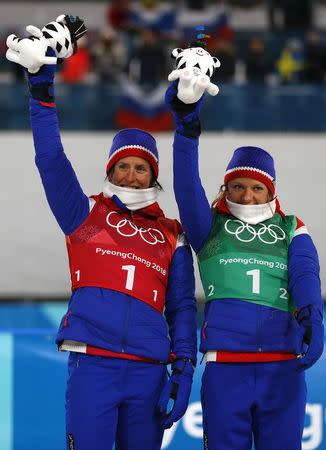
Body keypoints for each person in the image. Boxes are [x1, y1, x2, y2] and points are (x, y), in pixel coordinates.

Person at [8, 27, 197, 450]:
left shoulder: (172, 234)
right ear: (110, 172)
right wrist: (41, 91)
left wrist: (184, 369)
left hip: (149, 369)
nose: (131, 175)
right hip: (94, 362)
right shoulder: (85, 215)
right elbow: (50, 160)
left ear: (153, 176)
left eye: (141, 167)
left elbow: (182, 307)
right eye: (123, 166)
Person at [165, 79, 324, 450]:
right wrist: (187, 127)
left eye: (257, 188)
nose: (247, 195)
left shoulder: (291, 227)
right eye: (238, 186)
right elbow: (186, 186)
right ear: (226, 189)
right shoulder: (208, 227)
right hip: (225, 367)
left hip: (282, 365)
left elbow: (304, 273)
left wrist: (313, 315)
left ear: (272, 192)